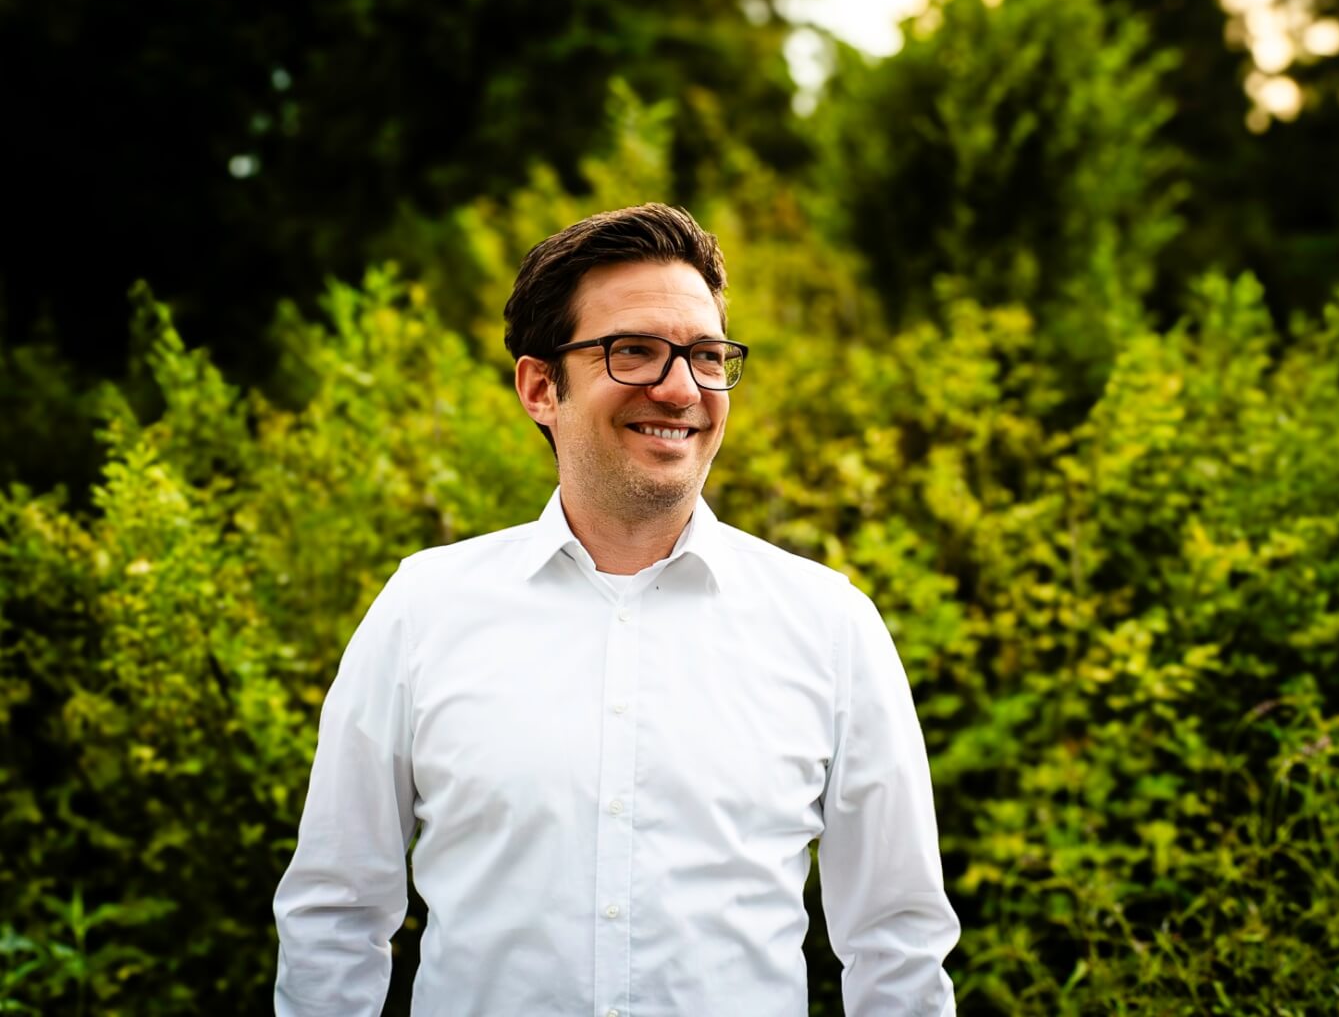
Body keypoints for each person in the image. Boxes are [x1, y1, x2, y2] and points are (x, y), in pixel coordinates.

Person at [272, 203, 959, 1015]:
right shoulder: (422, 610)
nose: (680, 388)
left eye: (706, 356)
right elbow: (336, 915)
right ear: (539, 387)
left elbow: (896, 941)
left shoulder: (829, 626)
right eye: (633, 351)